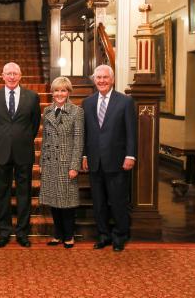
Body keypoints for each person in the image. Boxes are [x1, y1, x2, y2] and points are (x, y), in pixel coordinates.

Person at [0, 62, 41, 248]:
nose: (11, 77)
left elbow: (34, 125)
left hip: (24, 151)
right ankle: (4, 232)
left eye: (14, 73)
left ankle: (22, 232)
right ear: (2, 76)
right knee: (2, 193)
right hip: (1, 151)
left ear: (20, 75)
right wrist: (4, 139)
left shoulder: (32, 97)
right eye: (8, 73)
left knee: (24, 193)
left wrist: (20, 138)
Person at [82, 65, 137, 252]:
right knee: (98, 203)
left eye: (105, 77)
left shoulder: (125, 101)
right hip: (95, 161)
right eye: (98, 77)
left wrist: (130, 155)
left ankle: (120, 236)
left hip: (118, 160)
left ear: (112, 79)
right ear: (94, 80)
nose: (102, 81)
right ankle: (103, 235)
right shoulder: (87, 102)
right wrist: (84, 155)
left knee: (118, 201)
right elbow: (86, 132)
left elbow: (131, 132)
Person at [39, 77, 84, 249]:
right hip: (50, 163)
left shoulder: (76, 112)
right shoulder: (48, 111)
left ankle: (69, 236)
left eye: (63, 90)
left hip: (66, 164)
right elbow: (44, 140)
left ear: (69, 92)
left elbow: (79, 141)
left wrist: (74, 166)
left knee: (66, 203)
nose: (59, 94)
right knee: (54, 202)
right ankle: (57, 235)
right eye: (57, 90)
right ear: (52, 92)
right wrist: (42, 162)